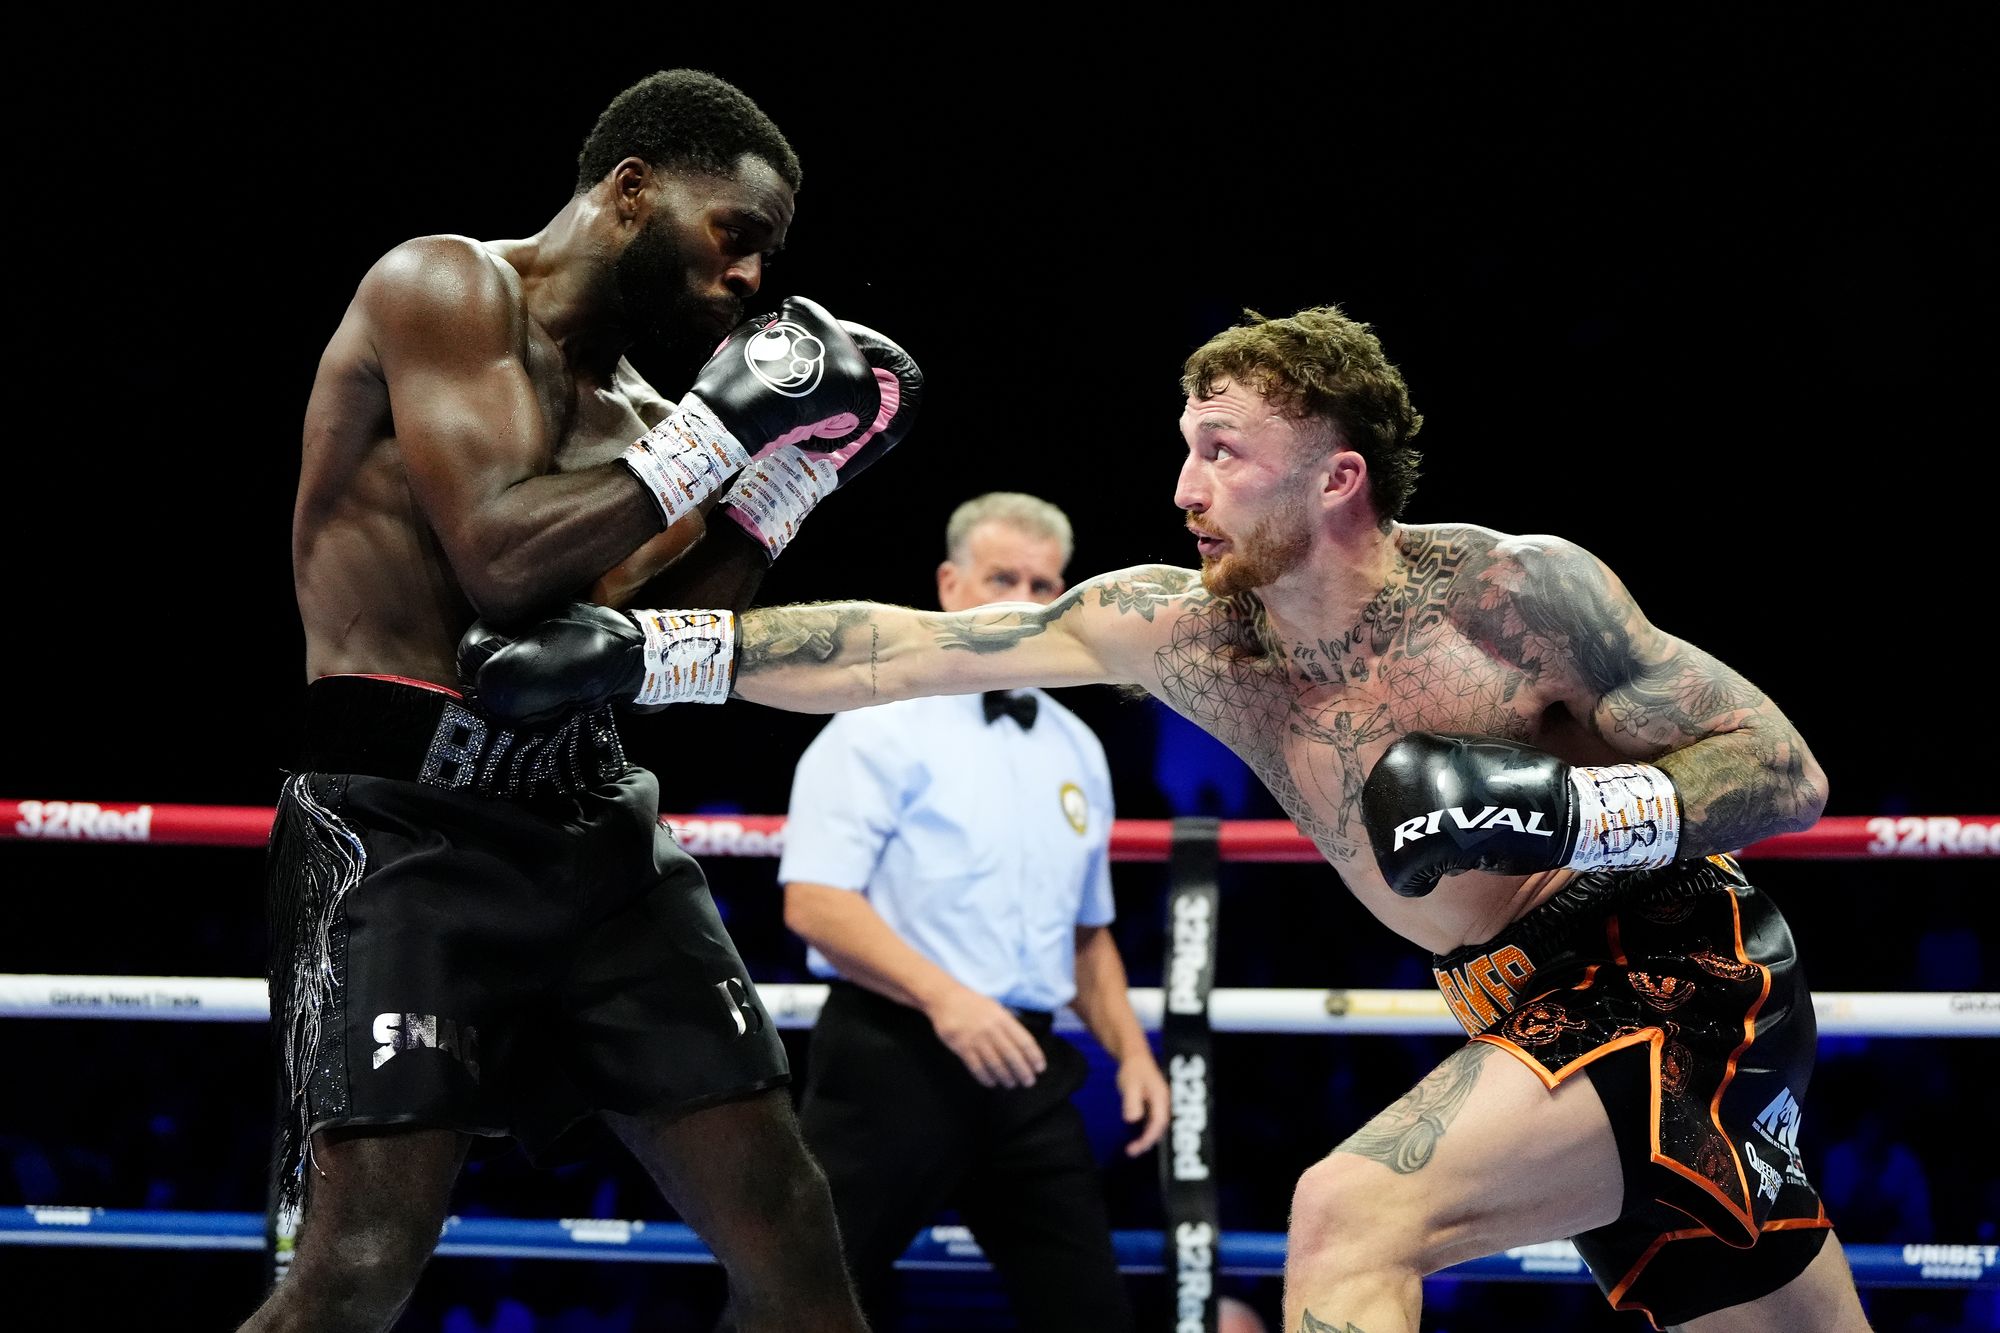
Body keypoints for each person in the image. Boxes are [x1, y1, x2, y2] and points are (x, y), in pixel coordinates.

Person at [469, 302, 1876, 1332]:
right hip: (1520, 1009)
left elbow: (1781, 769)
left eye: (1223, 451)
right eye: (1185, 448)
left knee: (1346, 1219)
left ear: (1337, 475)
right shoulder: (1188, 633)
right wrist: (657, 652)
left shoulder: (1513, 596)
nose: (1183, 488)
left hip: (1682, 973)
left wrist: (1558, 807)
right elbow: (903, 649)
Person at [251, 67, 922, 1333]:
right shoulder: (442, 286)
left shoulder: (646, 418)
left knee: (797, 1259)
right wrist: (725, 433)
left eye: (766, 259)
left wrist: (789, 480)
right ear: (630, 192)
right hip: (401, 831)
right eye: (737, 237)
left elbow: (642, 643)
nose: (751, 284)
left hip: (598, 831)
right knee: (354, 1277)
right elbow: (502, 563)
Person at [756, 492, 1169, 1332]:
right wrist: (950, 999)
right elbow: (816, 900)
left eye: (1044, 583)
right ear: (949, 585)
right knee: (800, 1308)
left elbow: (1086, 932)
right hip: (892, 1056)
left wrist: (1132, 1051)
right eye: (1001, 576)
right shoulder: (874, 722)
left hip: (1024, 1064)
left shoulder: (1076, 746)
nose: (1024, 598)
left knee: (1091, 1312)